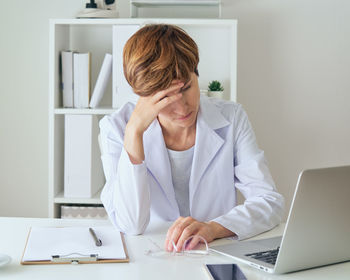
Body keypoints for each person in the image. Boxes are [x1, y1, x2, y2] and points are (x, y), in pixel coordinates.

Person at [99, 24, 284, 252]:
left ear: (196, 74)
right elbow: (131, 224)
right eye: (165, 98)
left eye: (186, 87)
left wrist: (214, 228)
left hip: (213, 251)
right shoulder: (117, 128)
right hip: (150, 256)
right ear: (144, 96)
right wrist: (134, 131)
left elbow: (269, 202)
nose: (182, 106)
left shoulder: (232, 117)